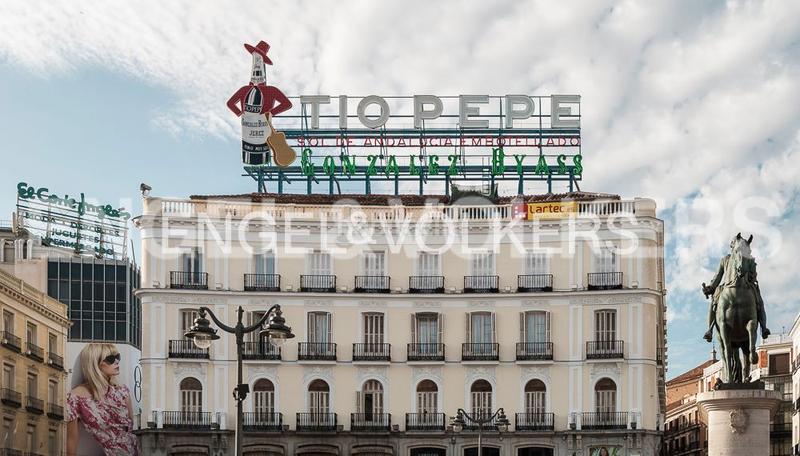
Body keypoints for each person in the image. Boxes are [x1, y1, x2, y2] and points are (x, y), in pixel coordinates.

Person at [66, 343, 139, 456]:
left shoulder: (122, 391)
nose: (116, 362)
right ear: (95, 364)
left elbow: (130, 428)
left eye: (117, 357)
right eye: (110, 359)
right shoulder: (75, 397)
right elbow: (71, 441)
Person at [702, 233, 770, 342]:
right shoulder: (725, 260)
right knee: (714, 302)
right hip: (727, 286)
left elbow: (753, 273)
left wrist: (752, 275)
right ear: (733, 247)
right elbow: (718, 276)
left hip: (747, 285)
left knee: (759, 301)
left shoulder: (749, 258)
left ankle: (763, 327)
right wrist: (711, 287)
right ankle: (709, 330)